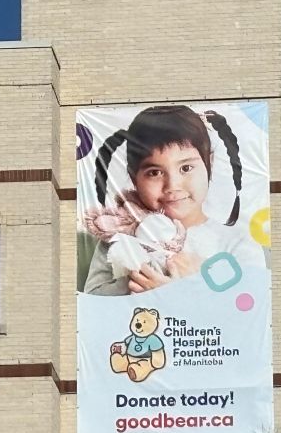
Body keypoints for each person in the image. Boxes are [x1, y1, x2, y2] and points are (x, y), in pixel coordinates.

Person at [82, 104, 265, 295]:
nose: (172, 186)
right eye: (155, 172)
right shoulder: (120, 237)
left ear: (208, 163)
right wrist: (144, 275)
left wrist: (190, 287)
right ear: (134, 178)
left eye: (186, 168)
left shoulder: (237, 242)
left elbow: (251, 308)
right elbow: (92, 299)